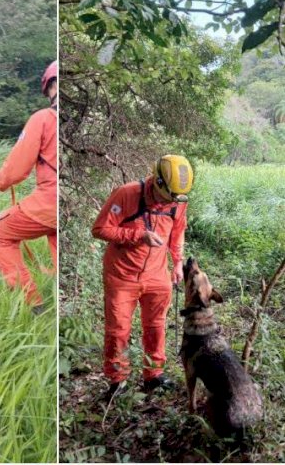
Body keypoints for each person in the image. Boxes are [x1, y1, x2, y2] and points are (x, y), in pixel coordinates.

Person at [91, 155, 193, 397]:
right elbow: (100, 229)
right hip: (122, 275)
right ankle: (118, 382)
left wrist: (177, 263)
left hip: (158, 275)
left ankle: (154, 376)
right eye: (165, 197)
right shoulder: (126, 194)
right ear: (156, 182)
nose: (167, 203)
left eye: (173, 200)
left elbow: (177, 232)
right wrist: (138, 236)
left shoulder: (178, 202)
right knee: (118, 330)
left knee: (156, 326)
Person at [0, 61, 57, 314]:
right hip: (70, 208)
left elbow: (15, 171)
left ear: (50, 86)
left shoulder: (44, 118)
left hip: (50, 203)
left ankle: (31, 305)